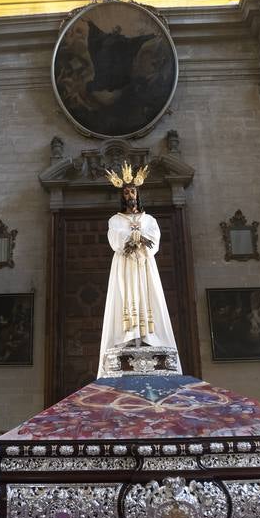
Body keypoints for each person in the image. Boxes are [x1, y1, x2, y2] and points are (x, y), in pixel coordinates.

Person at [97, 161, 181, 377]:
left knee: (147, 295)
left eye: (132, 191)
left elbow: (154, 240)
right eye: (126, 192)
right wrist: (134, 237)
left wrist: (140, 238)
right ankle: (128, 336)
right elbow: (116, 240)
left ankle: (148, 337)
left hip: (144, 264)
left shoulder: (149, 219)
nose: (130, 195)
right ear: (122, 196)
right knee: (125, 295)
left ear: (137, 193)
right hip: (125, 264)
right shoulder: (115, 220)